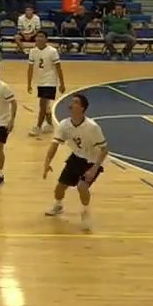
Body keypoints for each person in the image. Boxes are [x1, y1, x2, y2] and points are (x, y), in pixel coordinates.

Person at [43, 93, 108, 231]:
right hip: (76, 158)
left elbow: (104, 150)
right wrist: (47, 162)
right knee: (59, 190)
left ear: (82, 108)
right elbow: (54, 144)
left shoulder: (92, 127)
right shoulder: (64, 124)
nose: (71, 105)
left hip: (91, 161)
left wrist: (94, 169)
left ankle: (85, 212)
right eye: (72, 102)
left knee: (82, 187)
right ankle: (58, 206)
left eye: (76, 103)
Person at [26, 32, 66, 138]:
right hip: (40, 81)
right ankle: (49, 124)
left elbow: (58, 68)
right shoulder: (33, 51)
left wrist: (62, 83)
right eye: (38, 36)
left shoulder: (52, 51)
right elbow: (30, 68)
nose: (39, 38)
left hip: (50, 81)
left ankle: (38, 127)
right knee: (46, 105)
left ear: (46, 39)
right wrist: (29, 83)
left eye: (41, 36)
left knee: (42, 104)